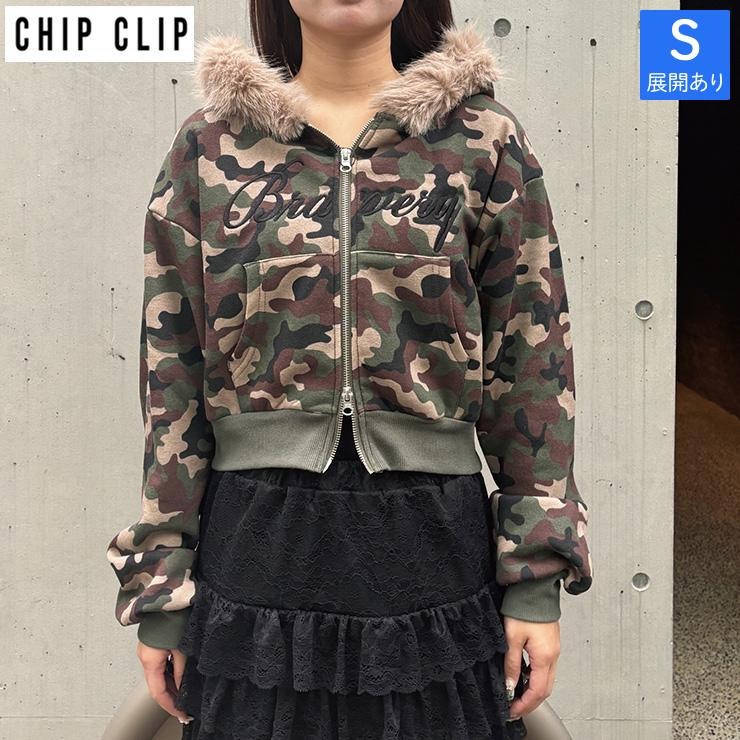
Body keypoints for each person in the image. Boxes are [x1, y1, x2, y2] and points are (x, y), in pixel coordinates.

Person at [106, 1, 593, 737]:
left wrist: (534, 581)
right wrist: (160, 580)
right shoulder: (208, 148)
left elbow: (534, 363)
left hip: (431, 544)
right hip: (256, 545)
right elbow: (171, 373)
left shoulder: (483, 141)